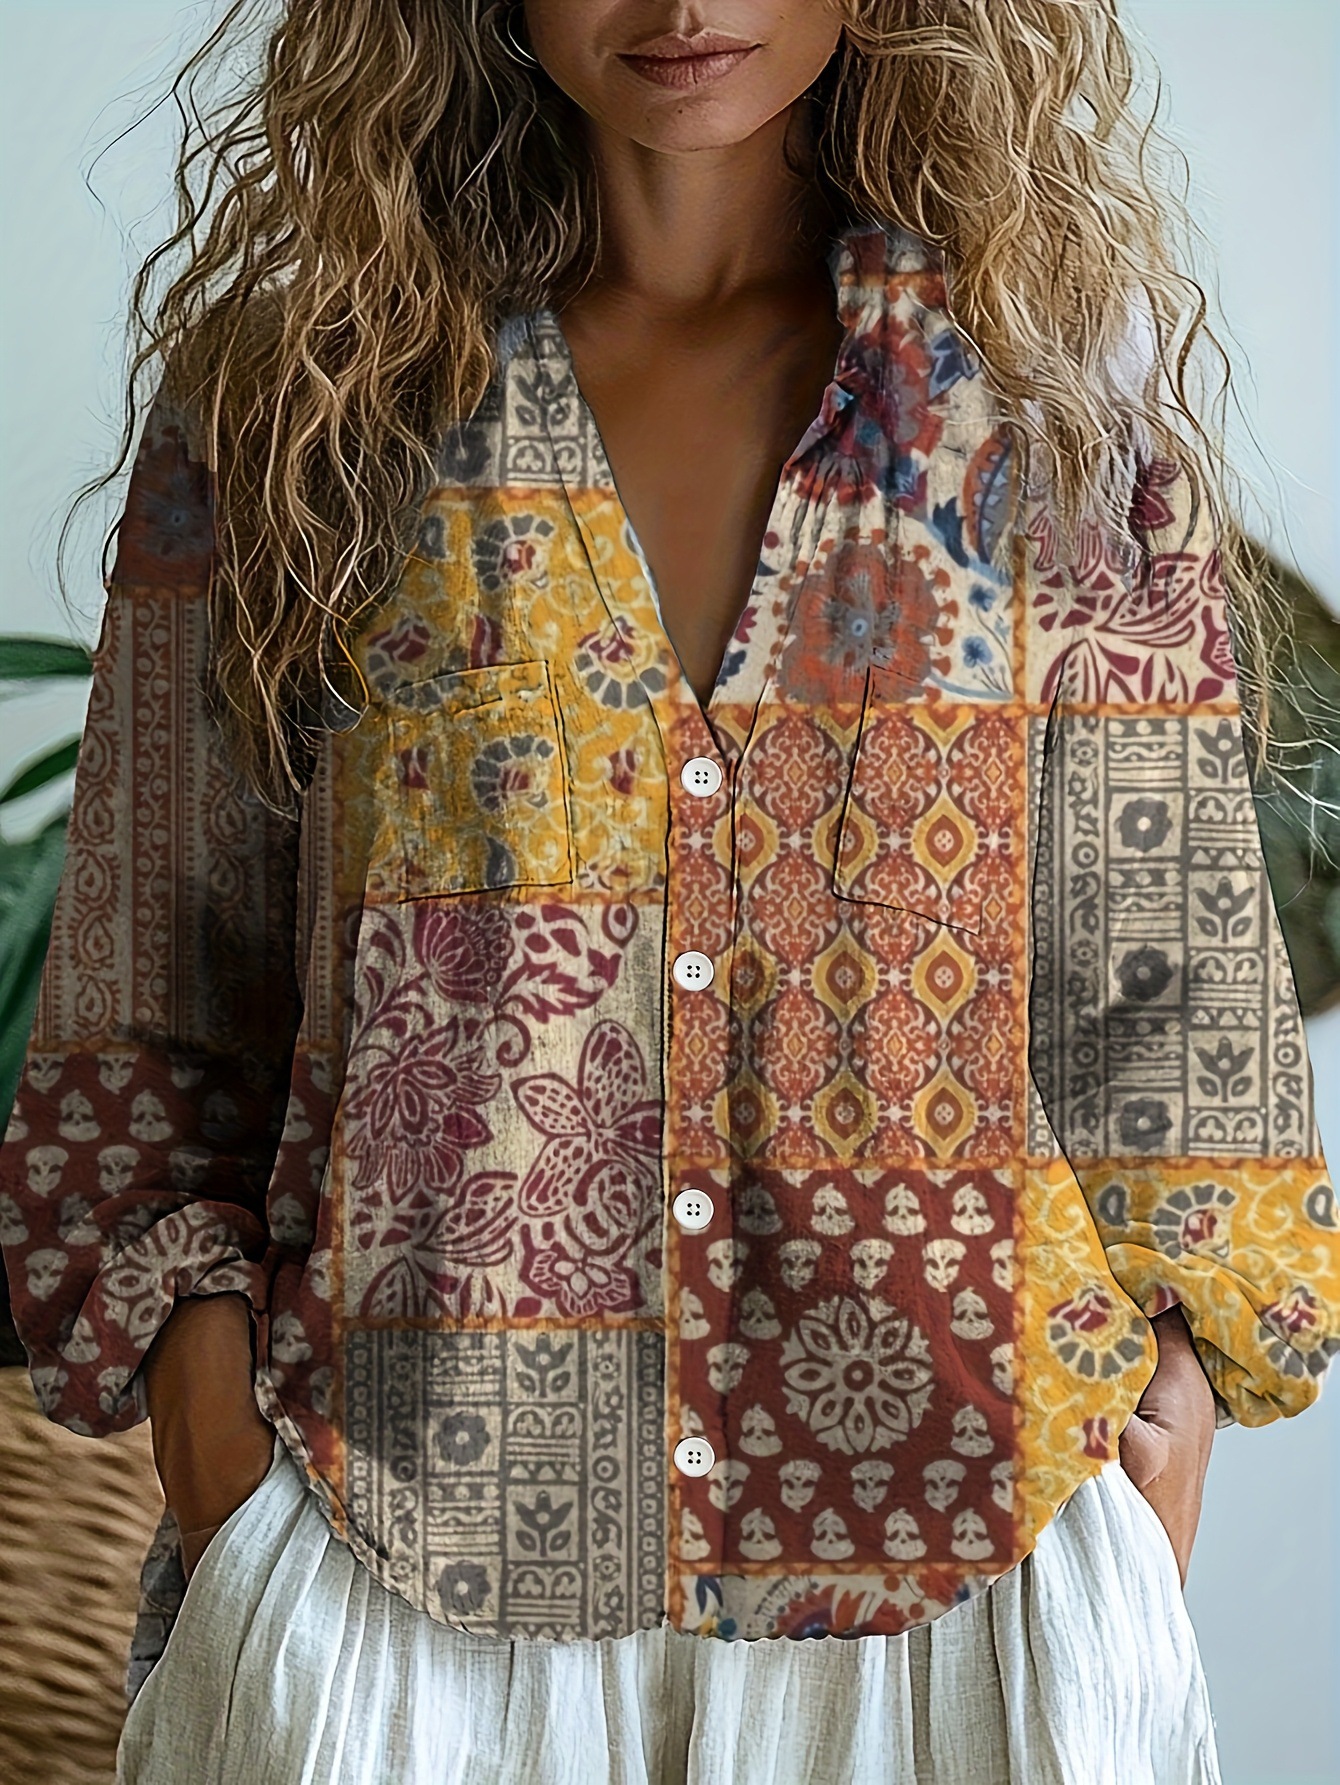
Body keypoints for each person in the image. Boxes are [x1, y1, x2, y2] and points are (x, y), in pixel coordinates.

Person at [2, 2, 1337, 1781]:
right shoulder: (304, 410)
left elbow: (1171, 1007)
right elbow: (155, 983)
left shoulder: (1048, 414)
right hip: (402, 1565)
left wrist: (1165, 1438)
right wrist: (212, 1436)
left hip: (964, 1573)